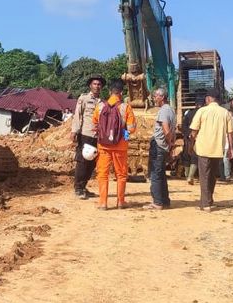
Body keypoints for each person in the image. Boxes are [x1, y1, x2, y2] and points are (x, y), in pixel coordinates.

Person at [92, 79, 136, 210]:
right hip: (120, 146)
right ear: (121, 93)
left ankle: (103, 203)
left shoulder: (100, 106)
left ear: (110, 91)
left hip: (103, 145)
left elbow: (94, 124)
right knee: (121, 174)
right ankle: (121, 202)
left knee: (102, 174)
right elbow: (131, 128)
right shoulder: (125, 107)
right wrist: (125, 134)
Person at [190, 88, 233, 212]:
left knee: (204, 176)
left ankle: (205, 204)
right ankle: (209, 200)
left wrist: (190, 144)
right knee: (212, 176)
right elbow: (230, 133)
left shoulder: (202, 111)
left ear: (208, 98)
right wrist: (231, 148)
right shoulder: (226, 113)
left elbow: (194, 131)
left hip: (203, 148)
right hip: (217, 149)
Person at [70, 75, 105, 199]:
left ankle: (83, 186)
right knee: (83, 161)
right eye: (95, 84)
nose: (97, 86)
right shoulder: (84, 98)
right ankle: (78, 188)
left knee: (92, 163)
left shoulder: (102, 102)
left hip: (97, 136)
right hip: (85, 134)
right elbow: (78, 115)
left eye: (99, 84)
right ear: (90, 85)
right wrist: (74, 131)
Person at [144, 88, 175, 210]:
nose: (154, 98)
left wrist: (168, 142)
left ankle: (157, 202)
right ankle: (165, 200)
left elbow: (166, 128)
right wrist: (170, 144)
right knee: (161, 174)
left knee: (155, 175)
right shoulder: (171, 110)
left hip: (159, 145)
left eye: (156, 96)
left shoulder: (164, 110)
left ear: (162, 97)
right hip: (164, 146)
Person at [182, 100, 203, 185]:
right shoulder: (203, 114)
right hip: (198, 138)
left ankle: (187, 176)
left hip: (188, 138)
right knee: (195, 157)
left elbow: (184, 125)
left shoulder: (189, 114)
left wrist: (188, 134)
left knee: (186, 156)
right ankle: (190, 176)